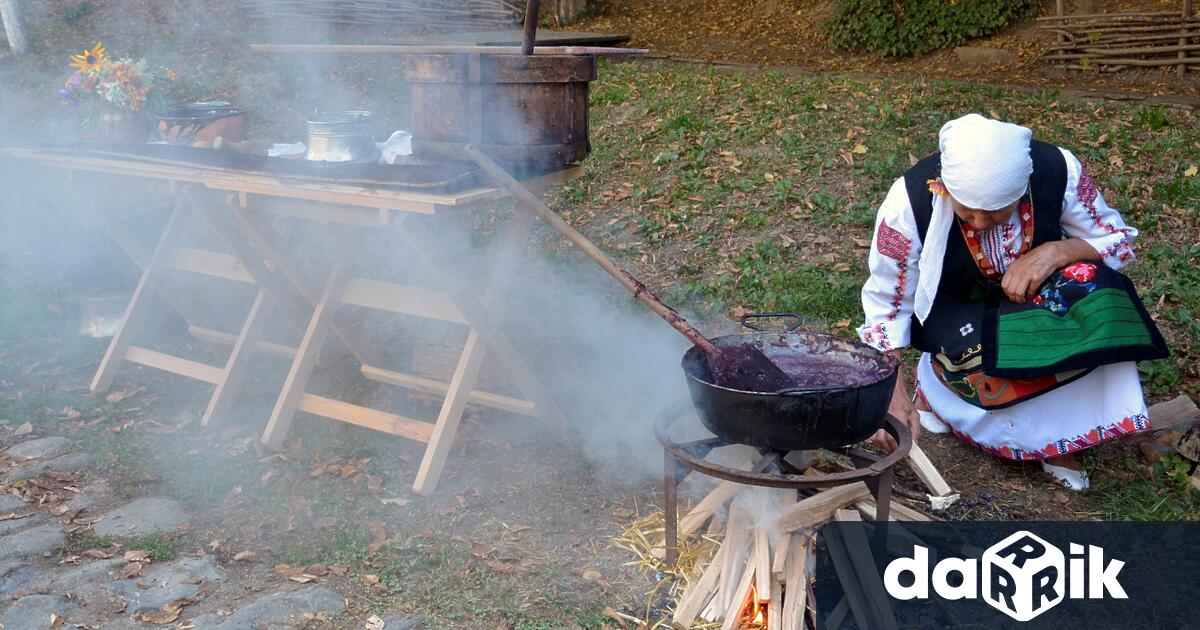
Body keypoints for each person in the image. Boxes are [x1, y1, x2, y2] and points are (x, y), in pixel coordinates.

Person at [857, 113, 1167, 490]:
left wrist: (1058, 250)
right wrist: (891, 391)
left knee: (1099, 294)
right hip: (956, 307)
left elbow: (1116, 239)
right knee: (990, 354)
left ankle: (1060, 436)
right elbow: (887, 300)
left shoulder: (1056, 169)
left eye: (997, 212)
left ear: (1022, 189)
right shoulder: (908, 201)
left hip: (1038, 298)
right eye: (966, 209)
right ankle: (941, 395)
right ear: (944, 187)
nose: (980, 222)